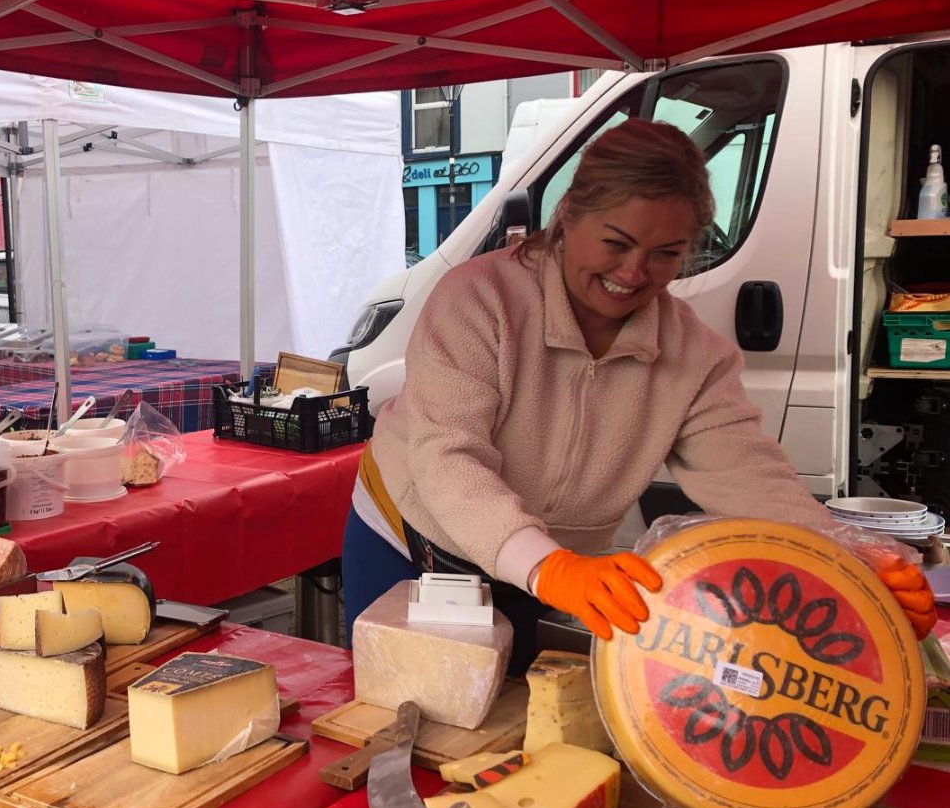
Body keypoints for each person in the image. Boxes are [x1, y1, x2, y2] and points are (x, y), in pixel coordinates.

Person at [342, 118, 935, 673]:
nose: (634, 273)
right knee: (407, 721)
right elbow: (448, 459)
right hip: (411, 537)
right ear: (569, 215)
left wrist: (845, 559)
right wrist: (550, 567)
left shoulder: (695, 355)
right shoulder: (480, 300)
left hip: (546, 567)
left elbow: (753, 481)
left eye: (666, 254)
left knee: (506, 732)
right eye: (617, 243)